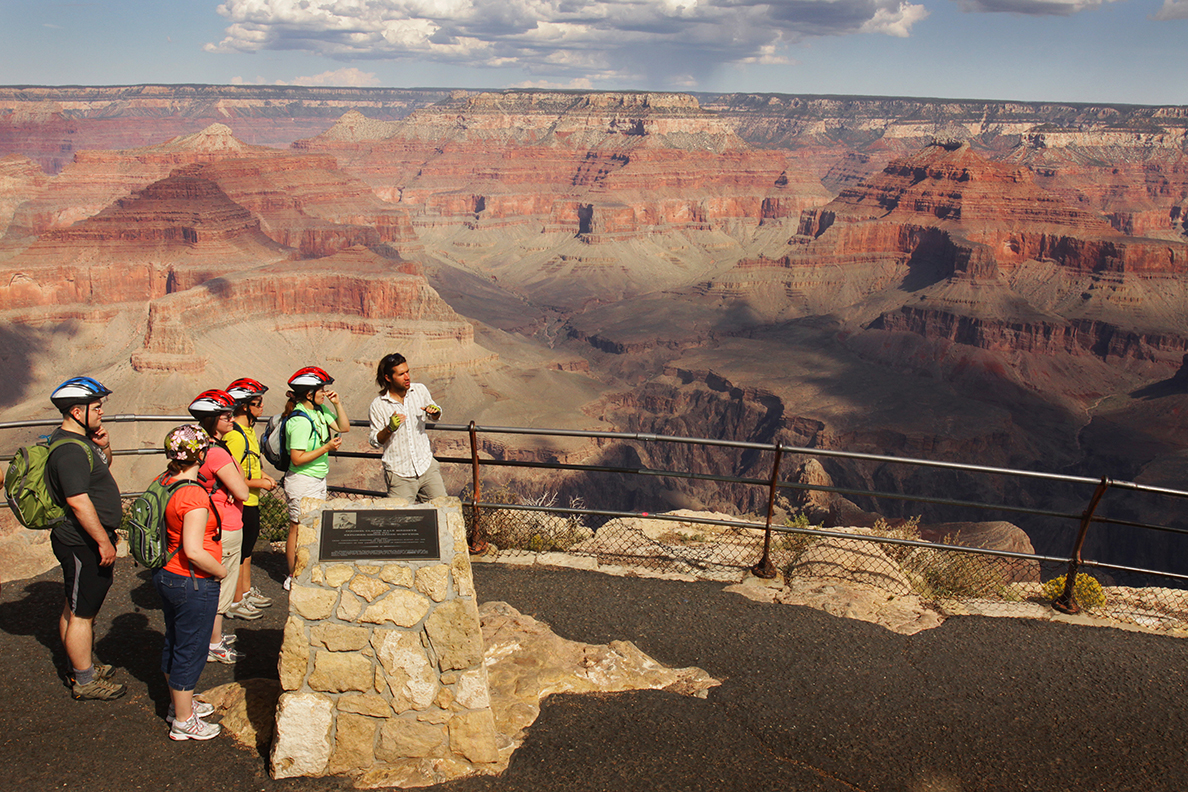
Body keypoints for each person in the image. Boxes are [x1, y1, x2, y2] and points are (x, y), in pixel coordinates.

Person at [46, 376, 125, 700]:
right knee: (82, 613)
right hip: (81, 542)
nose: (102, 412)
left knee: (75, 604)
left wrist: (103, 444)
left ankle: (81, 665)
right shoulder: (70, 451)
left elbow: (102, 470)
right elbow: (79, 502)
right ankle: (84, 680)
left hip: (85, 539)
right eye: (97, 407)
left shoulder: (81, 441)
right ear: (78, 412)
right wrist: (103, 542)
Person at [154, 424, 225, 741]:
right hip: (193, 580)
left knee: (175, 640)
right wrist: (220, 572)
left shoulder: (164, 481)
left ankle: (178, 704)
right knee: (191, 649)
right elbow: (194, 550)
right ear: (200, 453)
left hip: (167, 574)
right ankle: (183, 720)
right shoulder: (194, 495)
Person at [187, 390, 250, 663]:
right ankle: (213, 644)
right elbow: (243, 491)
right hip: (226, 524)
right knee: (221, 585)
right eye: (226, 415)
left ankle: (212, 637)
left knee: (213, 583)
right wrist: (241, 485)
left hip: (212, 523)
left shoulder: (201, 448)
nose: (231, 418)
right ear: (212, 420)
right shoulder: (217, 453)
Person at [282, 366, 349, 590]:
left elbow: (344, 427)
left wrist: (337, 403)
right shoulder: (300, 420)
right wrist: (327, 447)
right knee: (297, 527)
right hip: (302, 480)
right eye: (321, 389)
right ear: (309, 393)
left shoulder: (319, 412)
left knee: (312, 526)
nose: (324, 392)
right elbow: (297, 458)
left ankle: (306, 570)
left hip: (317, 478)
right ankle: (292, 575)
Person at [222, 378, 277, 618]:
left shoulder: (246, 431)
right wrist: (260, 483)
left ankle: (243, 592)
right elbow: (232, 476)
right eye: (258, 402)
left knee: (246, 551)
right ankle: (235, 601)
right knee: (239, 553)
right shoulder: (235, 436)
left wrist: (264, 475)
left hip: (251, 501)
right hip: (241, 502)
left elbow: (250, 464)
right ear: (245, 406)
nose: (262, 407)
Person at [368, 353, 446, 503]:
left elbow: (435, 415)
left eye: (407, 371)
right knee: (399, 521)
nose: (407, 377)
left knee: (443, 512)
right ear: (388, 378)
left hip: (426, 467)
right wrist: (390, 428)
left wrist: (435, 412)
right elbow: (375, 441)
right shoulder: (379, 405)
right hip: (400, 474)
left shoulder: (420, 391)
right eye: (401, 374)